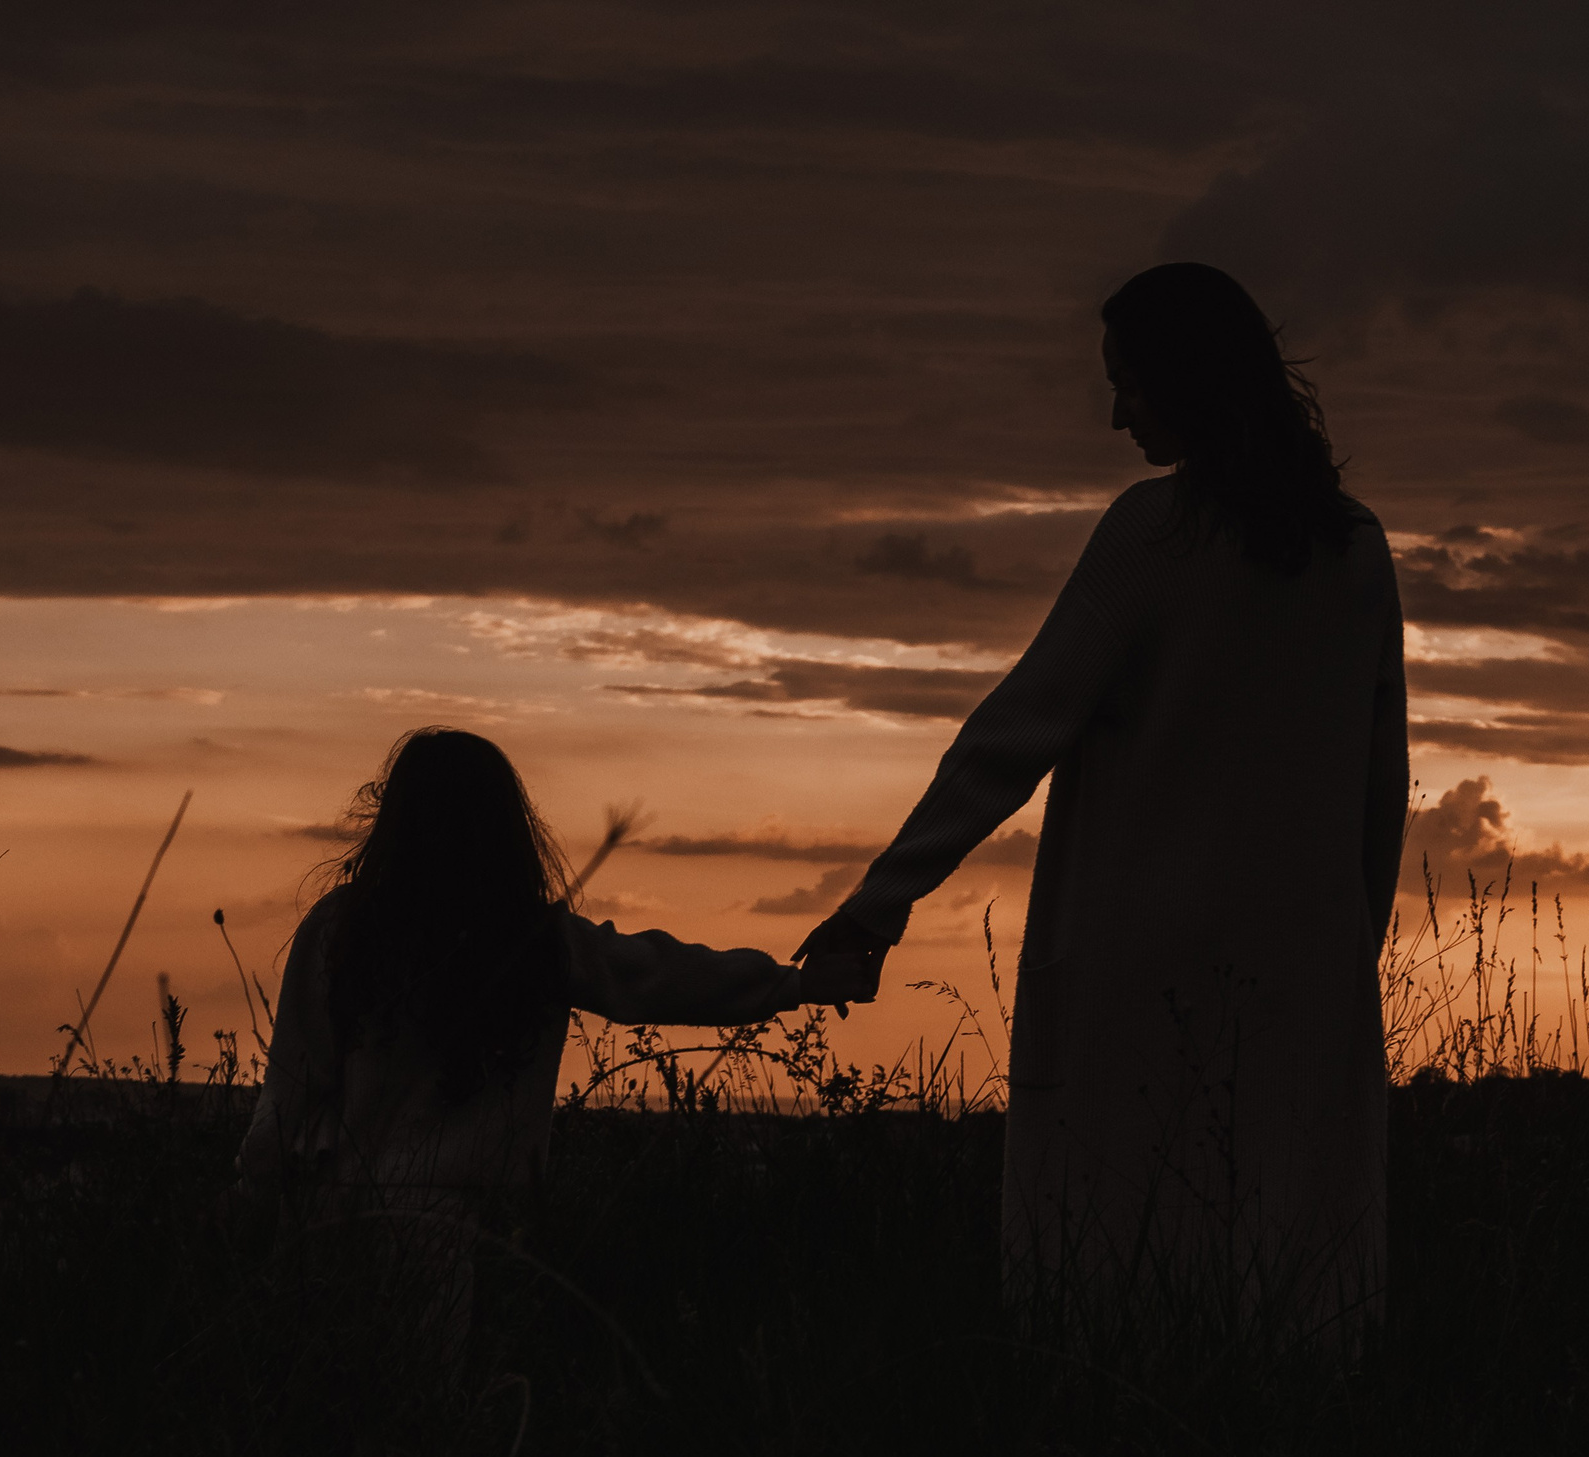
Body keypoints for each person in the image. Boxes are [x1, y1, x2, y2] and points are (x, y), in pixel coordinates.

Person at [797, 262, 1407, 1341]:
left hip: (1137, 972)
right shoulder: (1352, 548)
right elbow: (1379, 787)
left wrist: (879, 902)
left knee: (1110, 1277)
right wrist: (1348, 957)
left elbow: (1009, 737)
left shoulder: (1151, 536)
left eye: (1128, 383)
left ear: (1188, 382)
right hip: (1300, 979)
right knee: (1285, 1277)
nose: (1116, 411)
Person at [232, 726, 871, 1363]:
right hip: (449, 1234)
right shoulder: (536, 941)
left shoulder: (344, 930)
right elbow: (658, 976)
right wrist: (794, 984)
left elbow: (289, 1093)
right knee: (426, 1419)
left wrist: (252, 1213)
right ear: (506, 827)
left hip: (324, 1215)